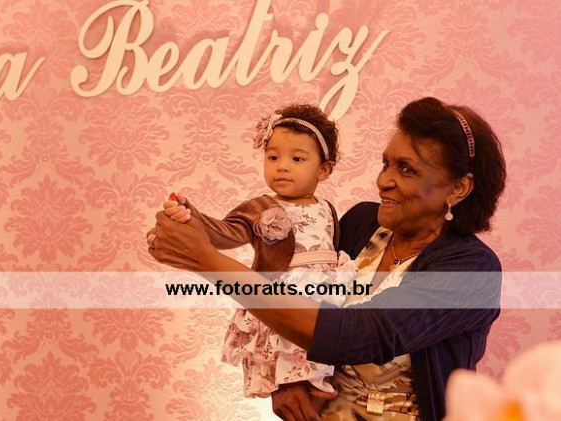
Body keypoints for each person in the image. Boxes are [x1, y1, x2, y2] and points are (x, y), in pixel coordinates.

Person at [147, 97, 507, 421]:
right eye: (386, 163)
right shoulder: (361, 222)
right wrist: (289, 379)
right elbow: (298, 292)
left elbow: (358, 334)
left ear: (458, 188)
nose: (383, 180)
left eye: (406, 169)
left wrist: (206, 261)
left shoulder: (472, 268)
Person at [158, 104, 357, 407]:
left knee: (324, 332)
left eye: (297, 159)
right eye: (273, 157)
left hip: (324, 285)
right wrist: (192, 217)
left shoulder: (327, 208)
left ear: (324, 169)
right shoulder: (260, 207)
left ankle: (320, 379)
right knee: (287, 340)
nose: (282, 166)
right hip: (285, 287)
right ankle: (294, 382)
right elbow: (225, 231)